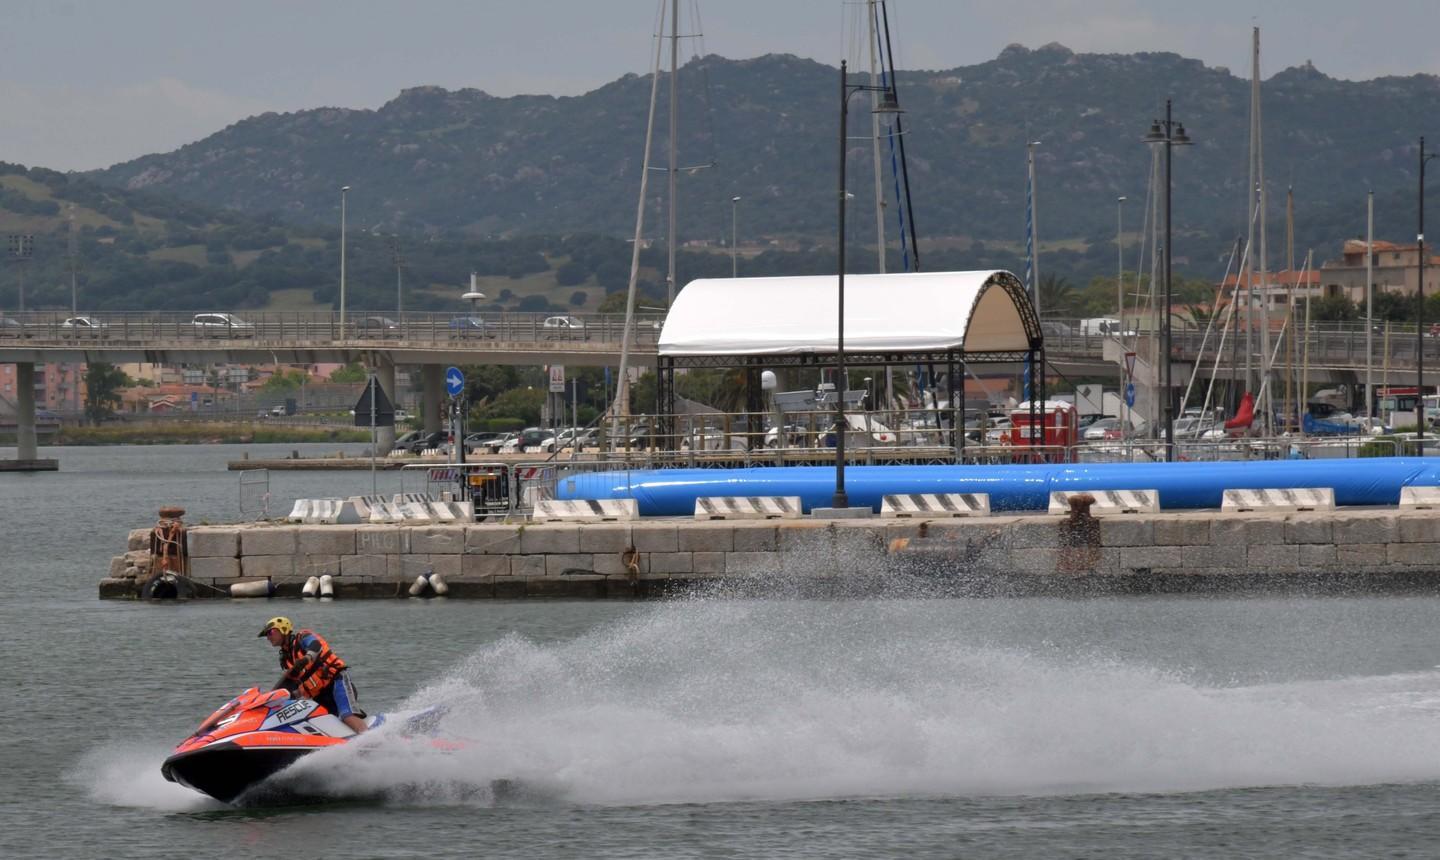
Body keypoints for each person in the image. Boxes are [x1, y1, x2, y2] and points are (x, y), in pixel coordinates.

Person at [258, 617, 366, 734]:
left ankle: (371, 740)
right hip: (320, 696)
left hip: (336, 681)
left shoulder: (302, 637)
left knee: (347, 715)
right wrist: (272, 699)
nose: (268, 637)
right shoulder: (285, 659)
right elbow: (294, 684)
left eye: (270, 632)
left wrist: (307, 658)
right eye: (266, 635)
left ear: (283, 629)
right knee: (318, 723)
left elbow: (316, 645)